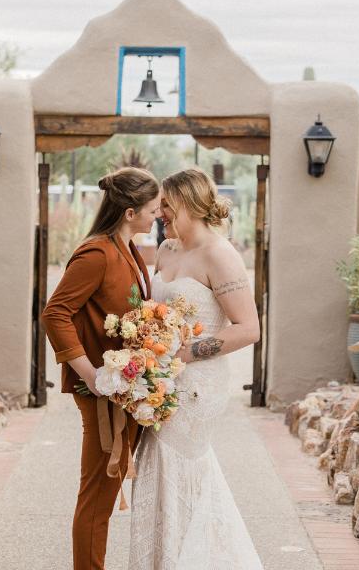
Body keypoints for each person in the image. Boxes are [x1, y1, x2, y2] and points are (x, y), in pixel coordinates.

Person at [129, 167, 264, 569]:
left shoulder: (220, 254)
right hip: (159, 380)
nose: (161, 213)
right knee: (155, 471)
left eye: (167, 205)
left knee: (178, 470)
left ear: (188, 202)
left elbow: (249, 329)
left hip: (195, 387)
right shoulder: (167, 249)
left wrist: (186, 354)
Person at [40, 166, 161, 570]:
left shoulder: (127, 250)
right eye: (153, 208)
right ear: (130, 212)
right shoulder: (97, 252)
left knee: (105, 491)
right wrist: (90, 373)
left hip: (126, 388)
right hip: (101, 392)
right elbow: (54, 313)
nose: (157, 215)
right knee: (97, 496)